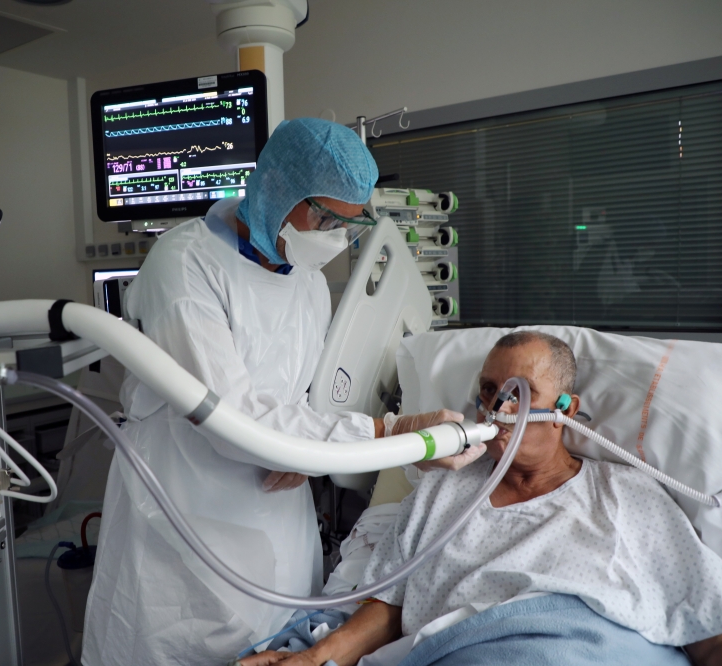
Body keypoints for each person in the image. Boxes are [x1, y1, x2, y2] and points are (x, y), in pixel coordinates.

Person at [80, 118, 485, 666]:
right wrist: (381, 433)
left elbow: (302, 398)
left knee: (283, 641)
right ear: (276, 188)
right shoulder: (185, 265)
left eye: (347, 224)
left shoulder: (309, 282)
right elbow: (228, 418)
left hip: (277, 512)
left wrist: (309, 449)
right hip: (183, 514)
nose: (333, 237)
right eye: (322, 215)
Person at [241, 331, 722, 666]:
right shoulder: (442, 493)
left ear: (566, 406)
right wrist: (316, 659)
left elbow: (708, 627)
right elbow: (387, 605)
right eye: (488, 392)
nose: (497, 406)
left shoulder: (623, 491)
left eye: (519, 393)